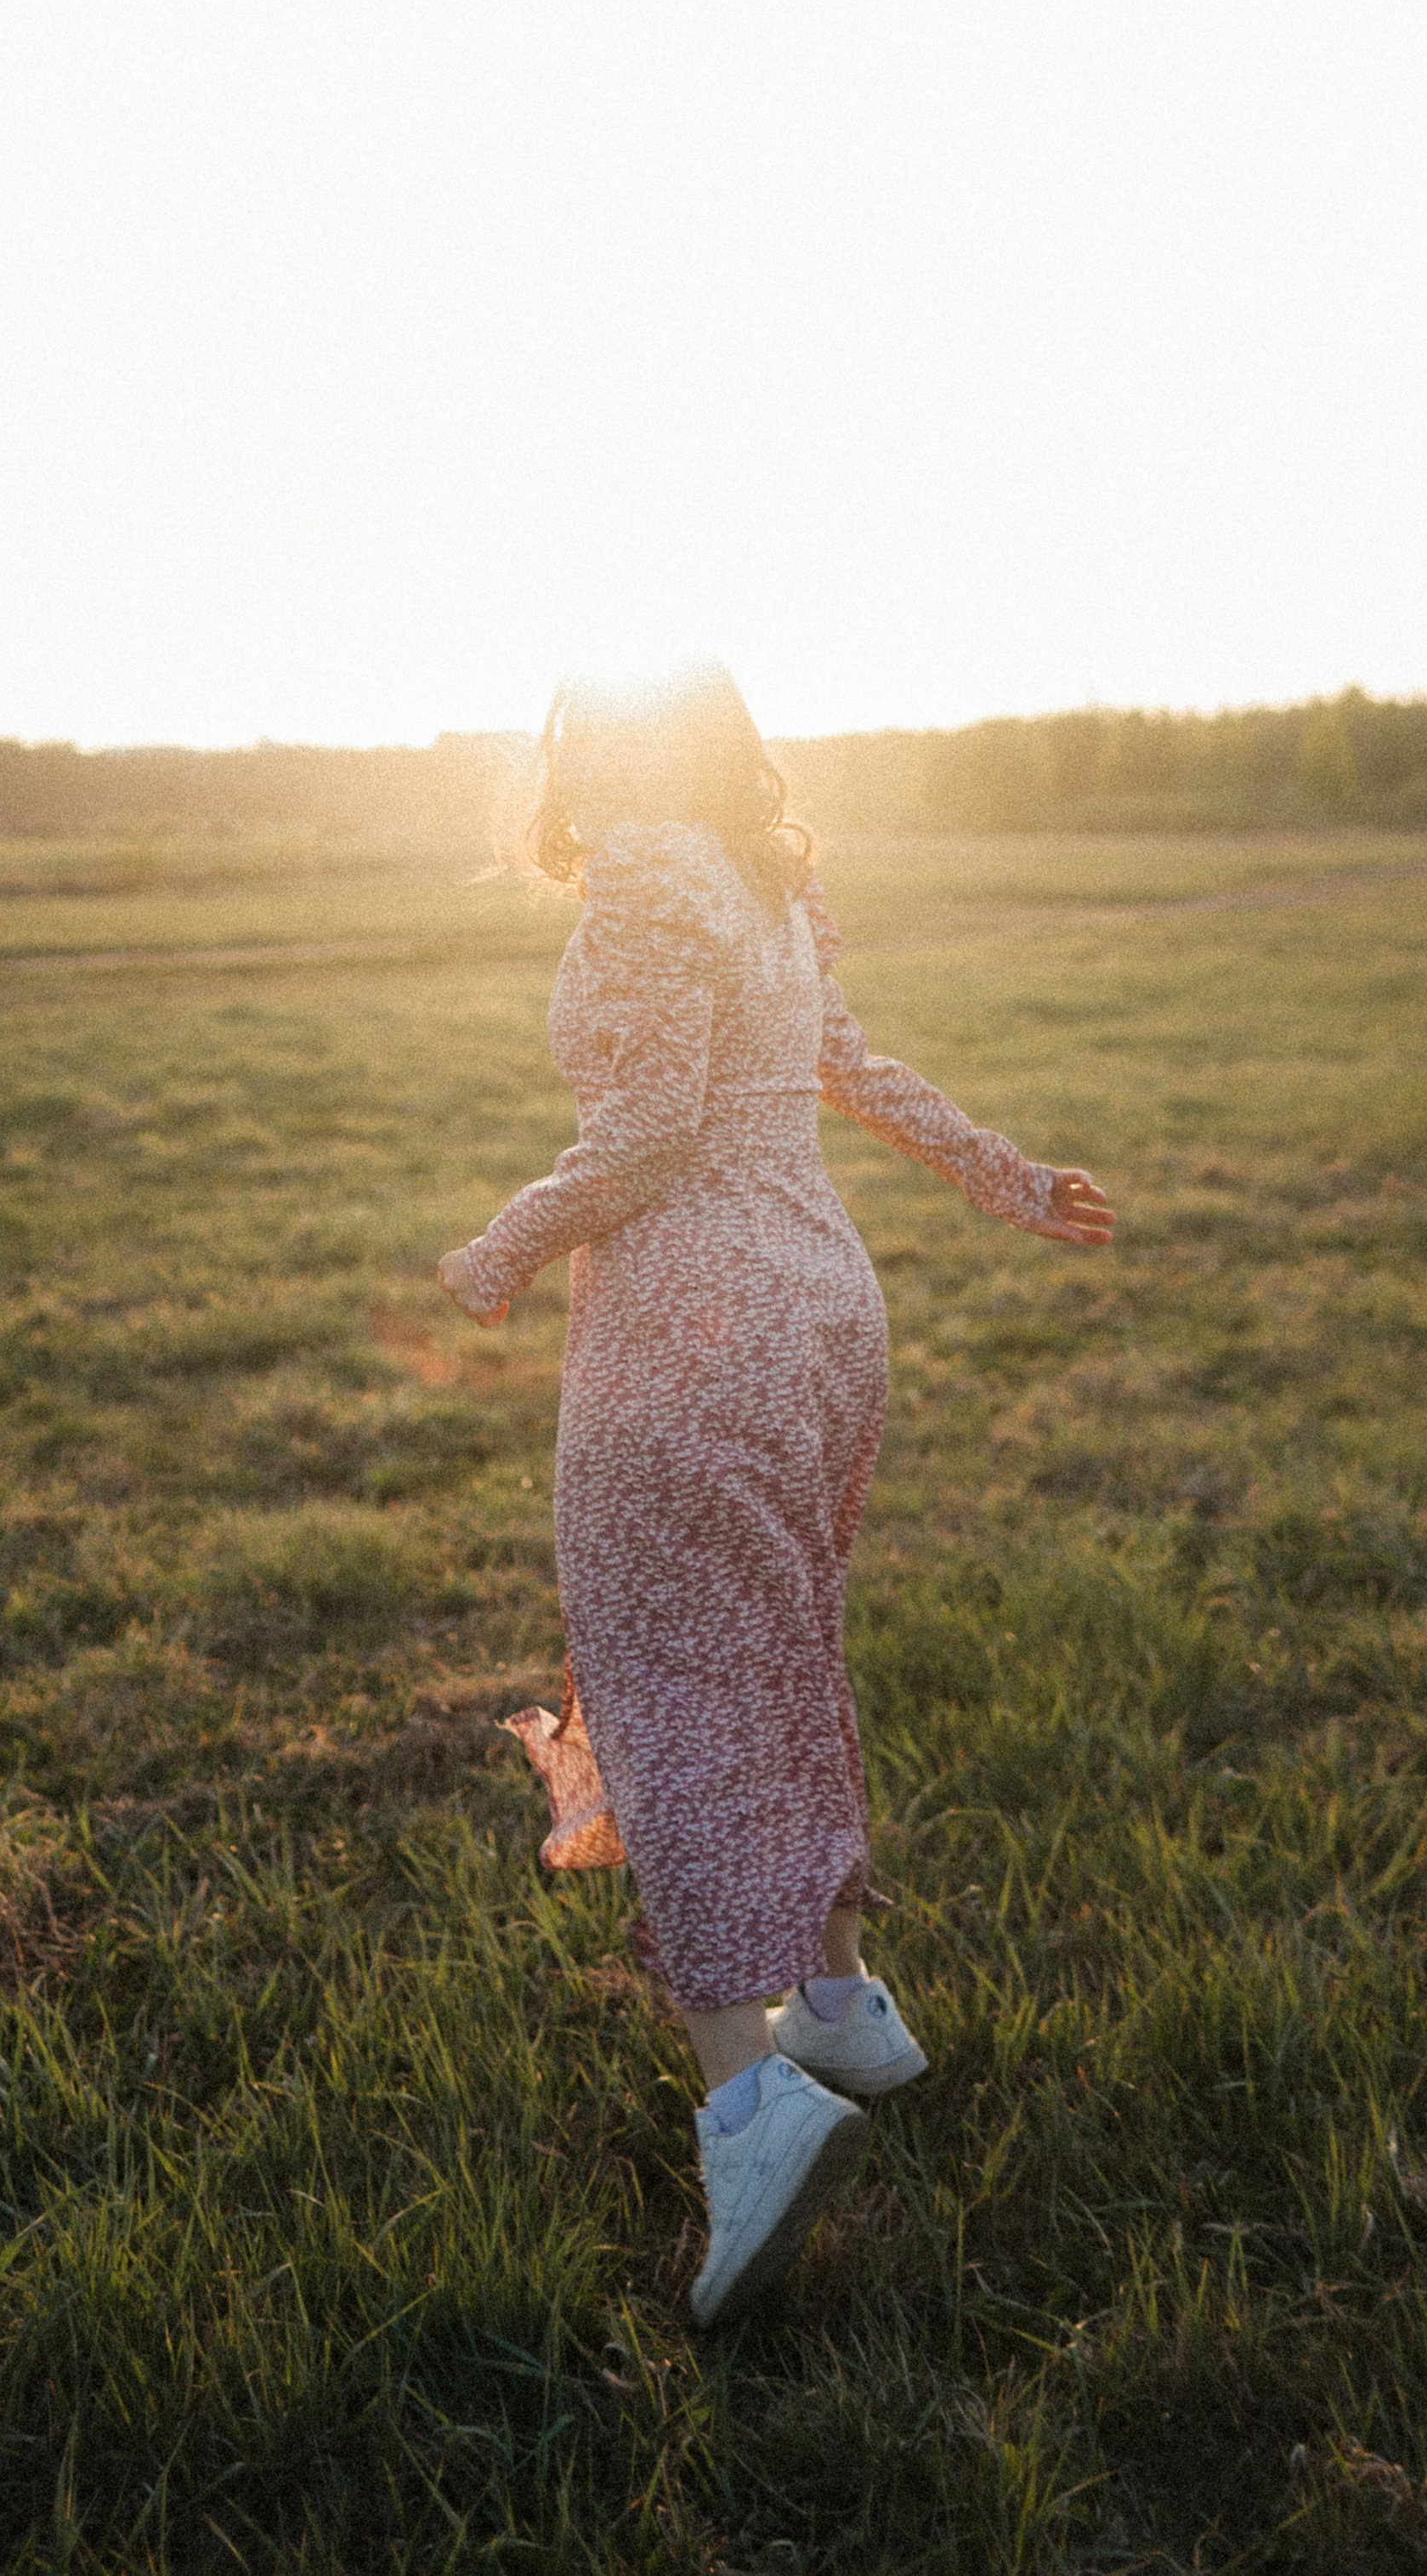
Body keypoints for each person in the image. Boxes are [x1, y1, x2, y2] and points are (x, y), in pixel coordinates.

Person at [438, 661, 1113, 2324]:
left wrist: (503, 1241)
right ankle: (841, 2006)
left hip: (688, 1324)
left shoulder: (649, 873)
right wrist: (1009, 1179)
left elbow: (652, 1132)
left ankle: (748, 2097)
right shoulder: (762, 871)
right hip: (818, 1305)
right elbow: (848, 1067)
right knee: (780, 1650)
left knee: (666, 1689)